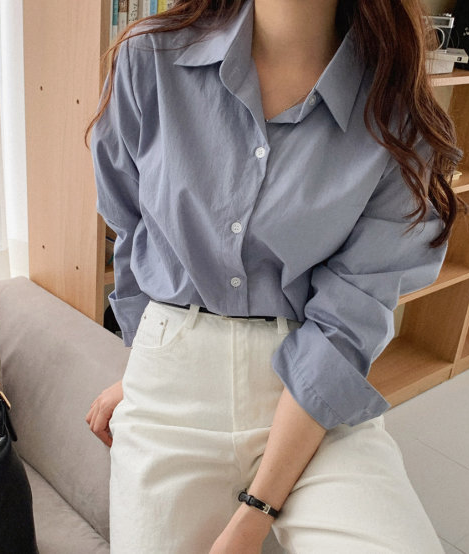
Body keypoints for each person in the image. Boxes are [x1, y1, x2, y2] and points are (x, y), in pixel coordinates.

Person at [85, 0, 465, 553]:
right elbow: (130, 226)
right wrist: (149, 363)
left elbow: (348, 320)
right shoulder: (151, 57)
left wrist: (254, 514)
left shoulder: (398, 111)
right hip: (170, 373)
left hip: (309, 390)